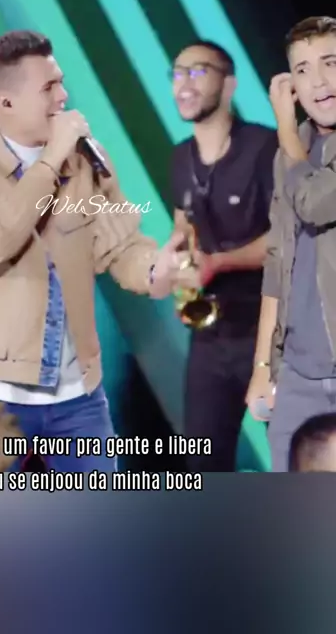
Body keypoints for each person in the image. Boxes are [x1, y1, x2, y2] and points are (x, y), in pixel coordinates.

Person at [0, 30, 181, 473]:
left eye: (60, 82)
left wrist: (155, 269)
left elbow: (119, 243)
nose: (63, 96)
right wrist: (50, 162)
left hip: (76, 393)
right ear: (6, 101)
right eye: (49, 87)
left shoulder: (84, 157)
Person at [152, 41, 278, 471]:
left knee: (295, 457)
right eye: (177, 73)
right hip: (209, 337)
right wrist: (177, 265)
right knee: (202, 466)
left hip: (269, 333)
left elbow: (289, 239)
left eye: (198, 72)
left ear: (229, 85)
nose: (183, 85)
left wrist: (220, 263)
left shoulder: (265, 147)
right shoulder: (179, 157)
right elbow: (182, 227)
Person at [247, 16, 336, 471]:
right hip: (297, 373)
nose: (318, 81)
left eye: (330, 63)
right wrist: (263, 367)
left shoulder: (289, 143)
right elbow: (277, 259)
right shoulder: (295, 146)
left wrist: (284, 129)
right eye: (302, 69)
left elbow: (316, 202)